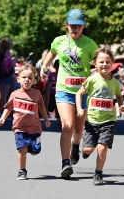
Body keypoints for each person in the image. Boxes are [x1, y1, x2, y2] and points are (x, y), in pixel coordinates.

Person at [39, 9, 99, 179]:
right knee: (68, 125)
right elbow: (52, 52)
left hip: (83, 92)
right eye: (72, 26)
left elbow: (99, 60)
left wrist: (96, 69)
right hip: (64, 90)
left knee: (78, 129)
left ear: (83, 26)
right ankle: (65, 163)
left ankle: (75, 145)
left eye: (79, 26)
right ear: (66, 25)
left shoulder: (89, 44)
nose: (75, 29)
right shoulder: (59, 41)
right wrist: (44, 66)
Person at [76, 46, 124, 185]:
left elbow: (118, 95)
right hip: (91, 120)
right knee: (89, 149)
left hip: (109, 120)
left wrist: (122, 105)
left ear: (112, 63)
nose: (104, 64)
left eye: (107, 61)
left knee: (102, 147)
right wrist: (80, 108)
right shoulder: (92, 79)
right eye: (101, 62)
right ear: (95, 63)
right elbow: (79, 93)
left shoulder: (115, 82)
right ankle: (85, 151)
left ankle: (98, 174)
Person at [0, 64, 51, 180]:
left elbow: (41, 107)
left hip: (34, 127)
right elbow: (9, 107)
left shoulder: (36, 94)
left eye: (30, 78)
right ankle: (22, 170)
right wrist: (3, 117)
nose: (27, 80)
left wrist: (46, 120)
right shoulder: (15, 94)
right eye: (24, 77)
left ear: (34, 81)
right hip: (19, 127)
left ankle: (31, 149)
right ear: (18, 79)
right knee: (22, 149)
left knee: (35, 151)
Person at [0, 37, 15, 120]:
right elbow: (11, 65)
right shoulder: (8, 53)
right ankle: (3, 114)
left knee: (0, 95)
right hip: (6, 75)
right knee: (4, 95)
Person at [46, 59, 60, 126]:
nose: (58, 69)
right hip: (52, 93)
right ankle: (50, 113)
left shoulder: (62, 75)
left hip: (60, 93)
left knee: (58, 108)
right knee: (51, 107)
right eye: (57, 67)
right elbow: (47, 82)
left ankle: (58, 120)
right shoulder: (52, 74)